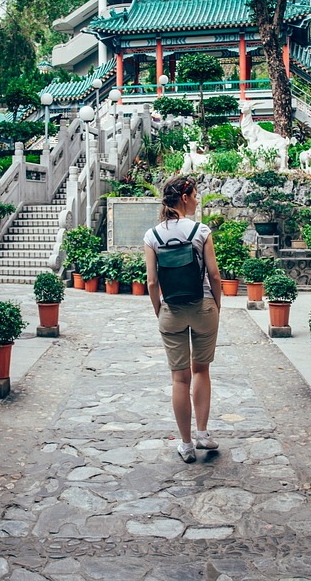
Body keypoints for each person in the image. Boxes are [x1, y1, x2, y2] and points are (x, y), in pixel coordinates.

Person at [143, 176, 223, 463]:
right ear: (185, 197)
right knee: (201, 371)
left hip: (171, 311)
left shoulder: (152, 235)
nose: (198, 199)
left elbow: (152, 282)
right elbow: (214, 275)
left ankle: (187, 445)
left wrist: (158, 310)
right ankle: (203, 434)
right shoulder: (201, 231)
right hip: (203, 308)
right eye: (196, 194)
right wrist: (217, 304)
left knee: (180, 379)